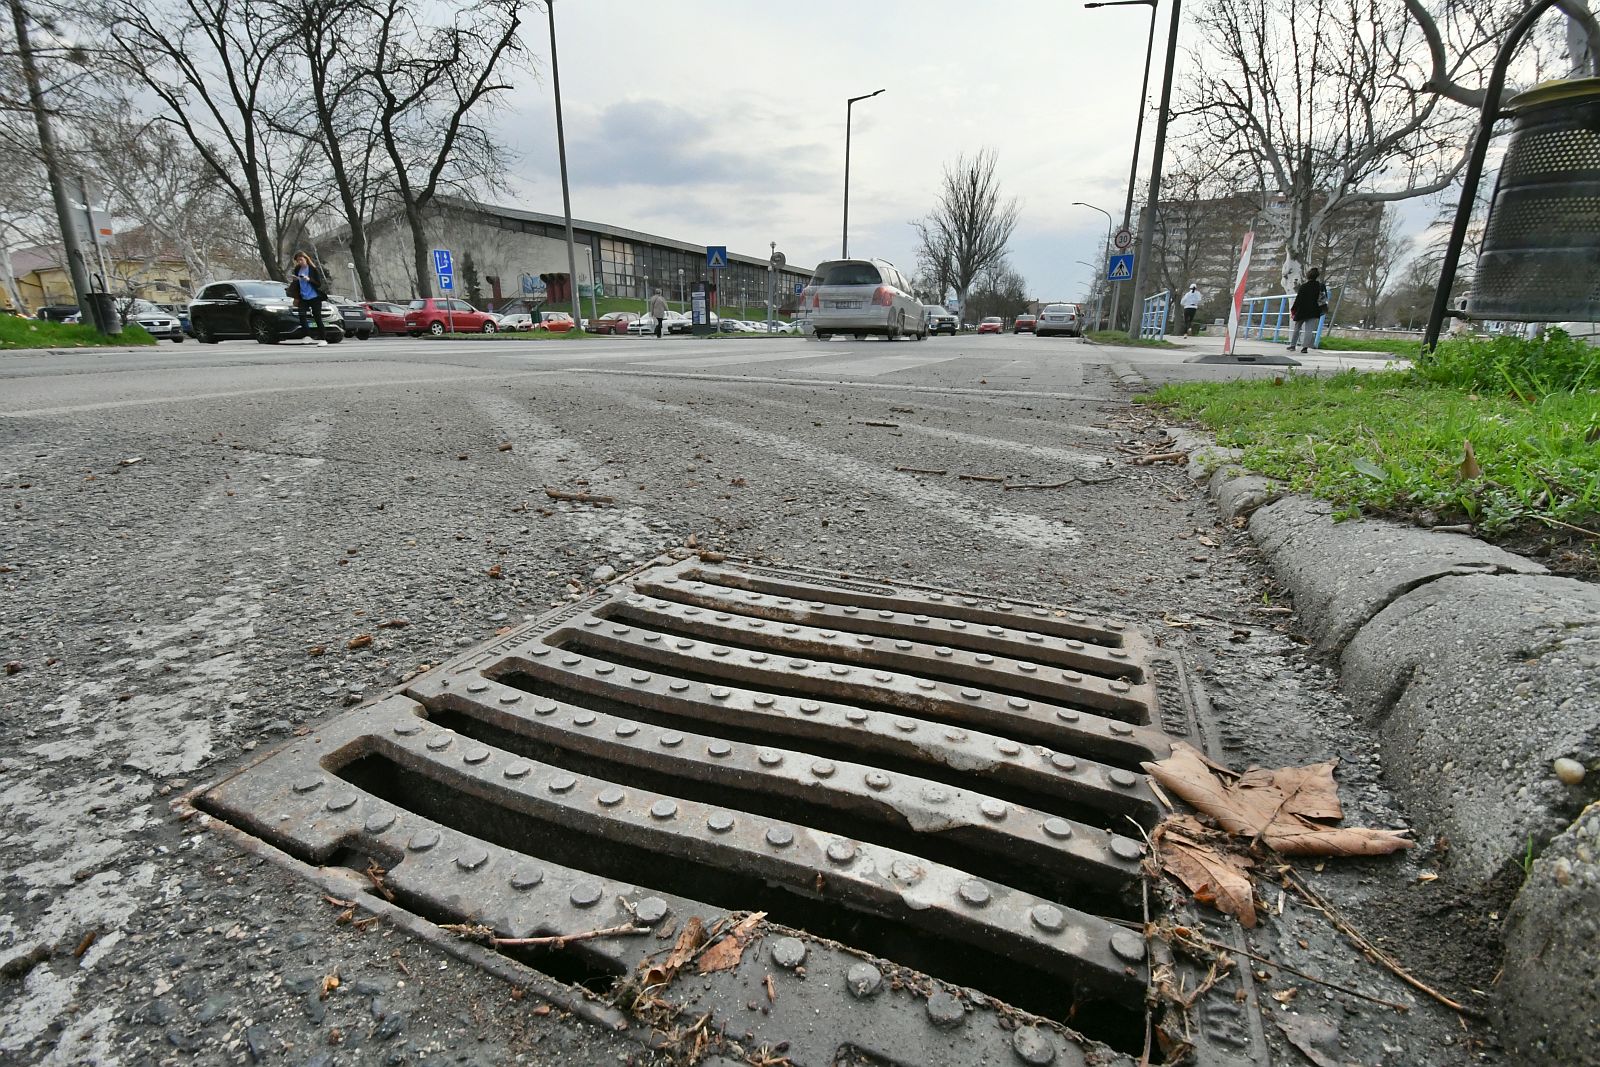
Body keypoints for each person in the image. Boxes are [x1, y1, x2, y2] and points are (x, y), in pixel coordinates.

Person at [288, 251, 328, 345]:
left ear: (306, 259)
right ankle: (307, 336)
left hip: (314, 297)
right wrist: (296, 279)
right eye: (298, 261)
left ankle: (323, 339)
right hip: (303, 297)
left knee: (317, 317)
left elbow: (319, 284)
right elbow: (298, 283)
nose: (299, 262)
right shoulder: (298, 269)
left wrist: (309, 279)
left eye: (301, 260)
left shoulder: (313, 269)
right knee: (302, 316)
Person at [1288, 267, 1328, 353]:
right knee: (1309, 330)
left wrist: (1293, 309)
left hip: (1302, 310)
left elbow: (1298, 299)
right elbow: (1324, 298)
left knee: (1297, 327)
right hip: (1314, 310)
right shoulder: (1321, 286)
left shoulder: (1304, 287)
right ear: (1317, 276)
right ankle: (1304, 348)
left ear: (1308, 276)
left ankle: (1292, 345)